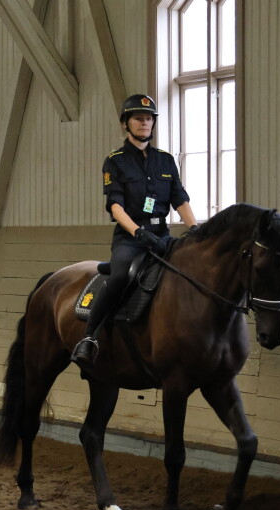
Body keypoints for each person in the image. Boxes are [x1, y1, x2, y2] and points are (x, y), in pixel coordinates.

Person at [71, 94, 199, 367]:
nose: (144, 123)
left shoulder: (165, 160)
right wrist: (137, 233)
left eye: (149, 118)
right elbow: (115, 206)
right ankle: (89, 337)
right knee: (120, 276)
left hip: (162, 235)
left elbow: (180, 199)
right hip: (130, 238)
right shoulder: (115, 161)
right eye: (139, 118)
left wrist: (195, 228)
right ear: (125, 123)